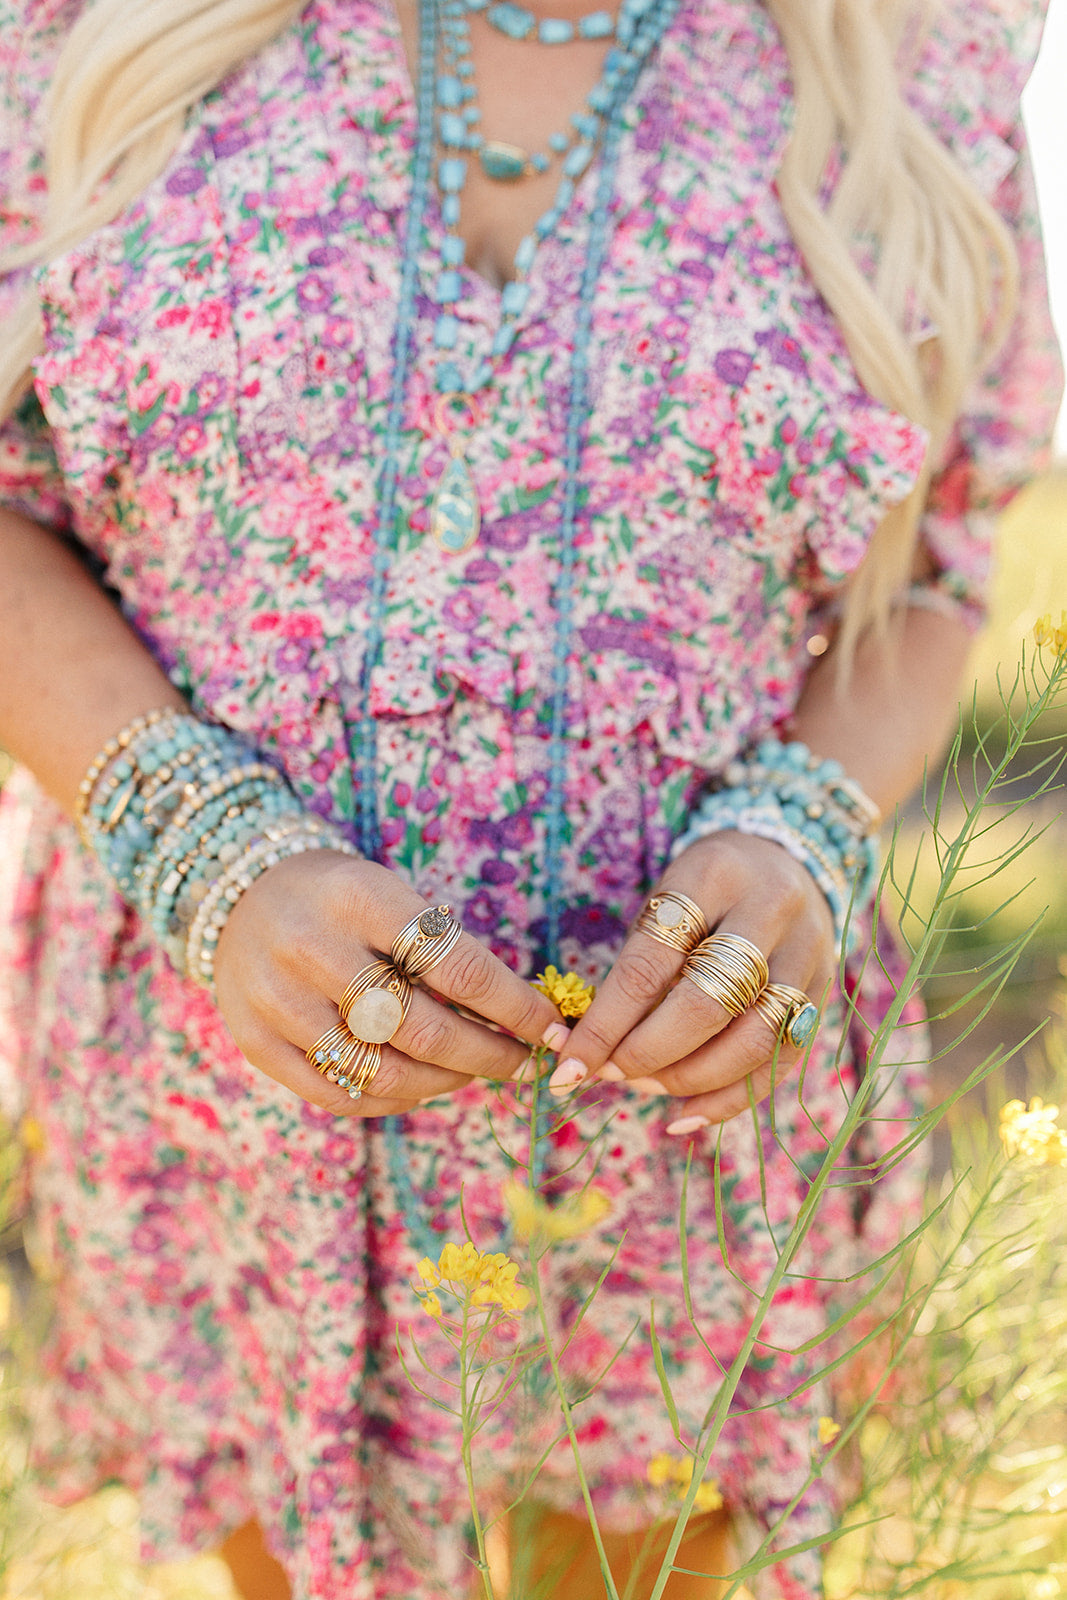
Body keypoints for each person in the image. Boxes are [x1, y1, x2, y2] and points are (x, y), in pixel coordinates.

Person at [0, 0, 1061, 1595]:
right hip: (233, 1070)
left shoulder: (914, 54)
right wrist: (197, 837)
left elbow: (941, 568)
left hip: (686, 1103)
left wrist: (801, 827)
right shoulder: (72, 28)